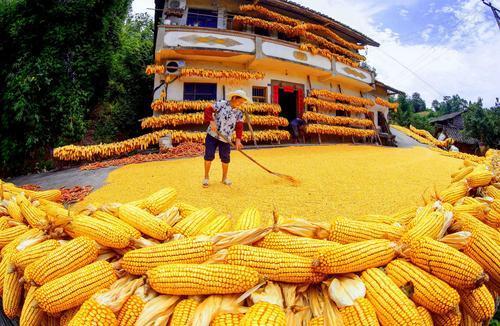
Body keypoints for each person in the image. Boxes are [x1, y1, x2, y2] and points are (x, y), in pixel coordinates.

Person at [202, 90, 251, 187]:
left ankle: (224, 178)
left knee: (225, 158)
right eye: (240, 101)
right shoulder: (222, 104)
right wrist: (211, 121)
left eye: (242, 103)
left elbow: (239, 126)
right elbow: (208, 109)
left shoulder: (239, 113)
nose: (241, 104)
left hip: (226, 138)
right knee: (209, 155)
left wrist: (238, 140)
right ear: (234, 98)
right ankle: (206, 177)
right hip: (213, 135)